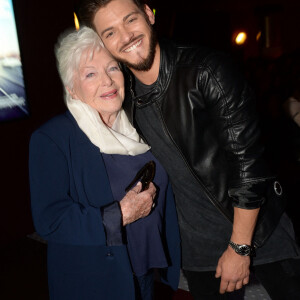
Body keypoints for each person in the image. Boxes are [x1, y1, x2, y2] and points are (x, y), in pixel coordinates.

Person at [78, 0, 300, 299]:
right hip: (198, 252)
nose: (126, 36)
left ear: (148, 14)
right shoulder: (122, 97)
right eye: (110, 32)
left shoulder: (206, 71)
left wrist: (239, 247)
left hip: (260, 235)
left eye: (130, 20)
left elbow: (247, 164)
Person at [29, 26, 180, 300]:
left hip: (144, 274)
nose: (108, 81)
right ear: (72, 89)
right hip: (94, 283)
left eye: (112, 68)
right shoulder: (53, 138)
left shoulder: (138, 126)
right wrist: (119, 214)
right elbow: (50, 220)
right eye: (90, 74)